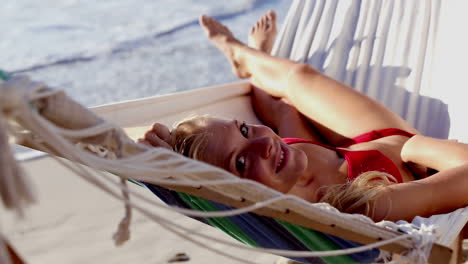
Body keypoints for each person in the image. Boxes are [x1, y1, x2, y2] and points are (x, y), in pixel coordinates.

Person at [139, 12, 468, 223]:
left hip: (334, 154)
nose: (262, 143)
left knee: (289, 94)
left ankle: (250, 58)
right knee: (297, 81)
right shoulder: (364, 207)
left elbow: (274, 125)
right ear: (234, 196)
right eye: (240, 162)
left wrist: (170, 163)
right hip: (399, 156)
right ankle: (239, 51)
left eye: (242, 128)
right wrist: (413, 149)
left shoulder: (277, 156)